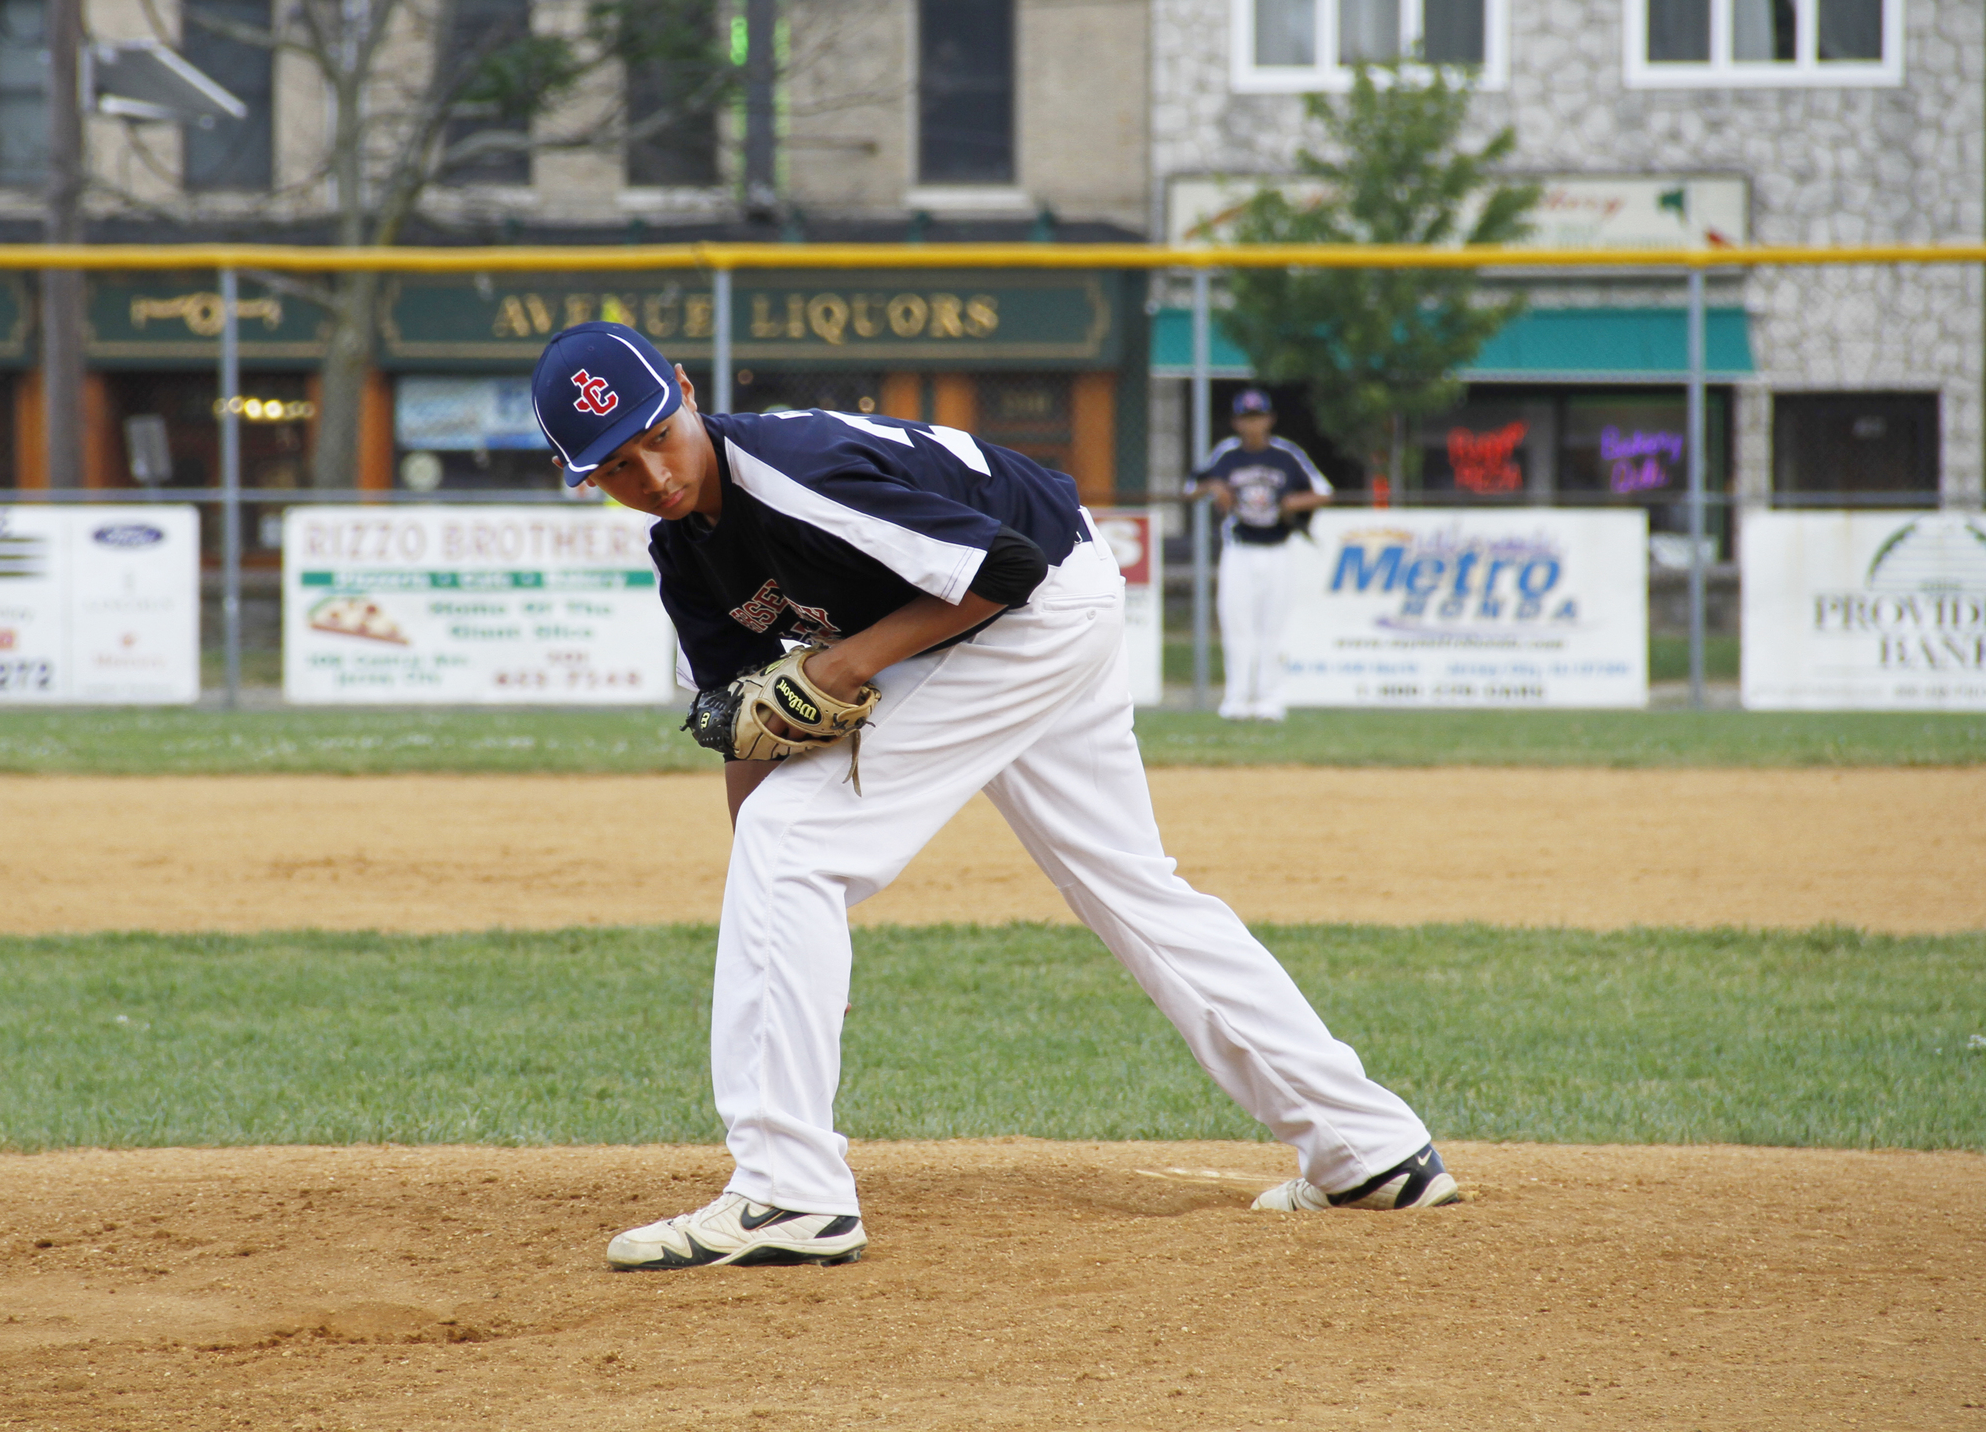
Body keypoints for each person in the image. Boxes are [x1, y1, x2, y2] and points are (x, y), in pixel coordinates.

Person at [530, 323, 1455, 1273]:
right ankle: (1367, 1147)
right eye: (616, 465)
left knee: (797, 847)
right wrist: (781, 924)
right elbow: (745, 729)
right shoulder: (686, 555)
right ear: (584, 476)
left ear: (686, 389)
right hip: (1048, 598)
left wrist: (845, 669)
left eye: (657, 432)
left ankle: (788, 1191)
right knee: (1123, 884)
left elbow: (1006, 570)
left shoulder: (791, 471)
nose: (654, 471)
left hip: (1034, 603)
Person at [1189, 389, 1333, 722]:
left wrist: (1294, 503)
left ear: (1269, 419)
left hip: (1278, 548)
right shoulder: (1227, 454)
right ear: (1237, 421)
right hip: (1239, 549)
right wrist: (1214, 488)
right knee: (1237, 625)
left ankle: (1270, 699)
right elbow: (1192, 487)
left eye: (1258, 417)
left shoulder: (1285, 454)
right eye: (1246, 417)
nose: (1253, 424)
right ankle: (1237, 699)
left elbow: (1323, 492)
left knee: (1274, 627)